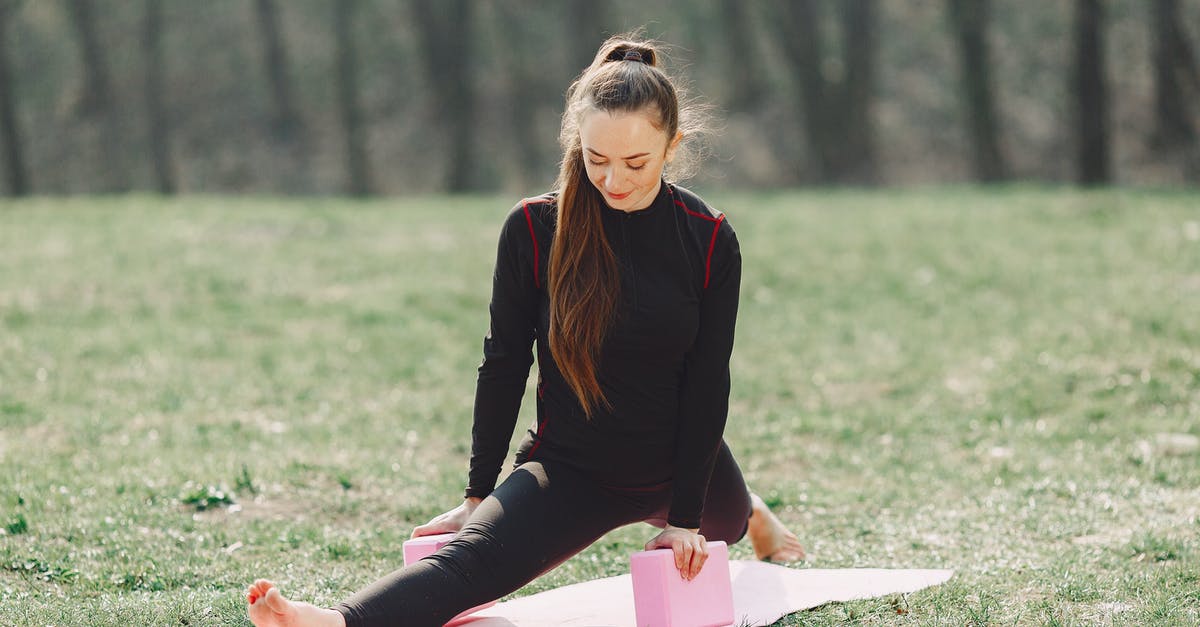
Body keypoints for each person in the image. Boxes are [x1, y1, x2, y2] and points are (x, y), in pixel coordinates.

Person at [246, 34, 805, 627]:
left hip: (681, 466)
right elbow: (504, 361)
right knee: (469, 564)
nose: (613, 180)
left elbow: (707, 380)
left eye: (636, 163)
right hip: (570, 468)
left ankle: (752, 514)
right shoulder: (535, 229)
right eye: (596, 160)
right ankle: (329, 622)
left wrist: (688, 517)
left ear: (672, 145)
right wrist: (476, 495)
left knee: (728, 521)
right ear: (576, 143)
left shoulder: (710, 238)